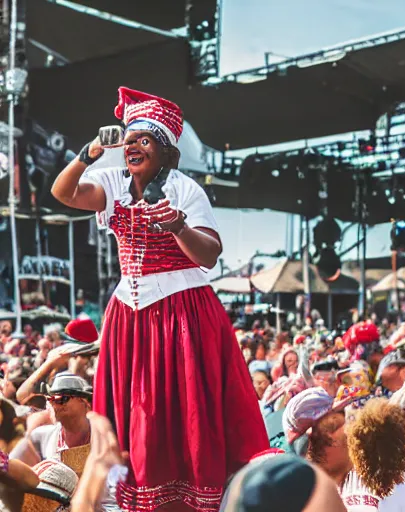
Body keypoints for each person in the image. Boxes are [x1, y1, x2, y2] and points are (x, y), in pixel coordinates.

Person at [51, 87, 268, 510]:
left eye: (144, 140)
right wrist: (91, 151)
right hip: (129, 315)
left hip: (182, 311)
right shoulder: (113, 181)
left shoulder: (186, 190)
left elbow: (209, 256)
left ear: (165, 151)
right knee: (137, 412)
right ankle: (138, 494)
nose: (133, 146)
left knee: (186, 414)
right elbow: (64, 193)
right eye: (129, 140)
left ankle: (189, 497)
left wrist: (178, 227)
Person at [10, 373, 92, 466]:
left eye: (62, 399)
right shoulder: (40, 436)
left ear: (84, 401)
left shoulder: (100, 434)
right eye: (51, 399)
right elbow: (13, 467)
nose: (55, 405)